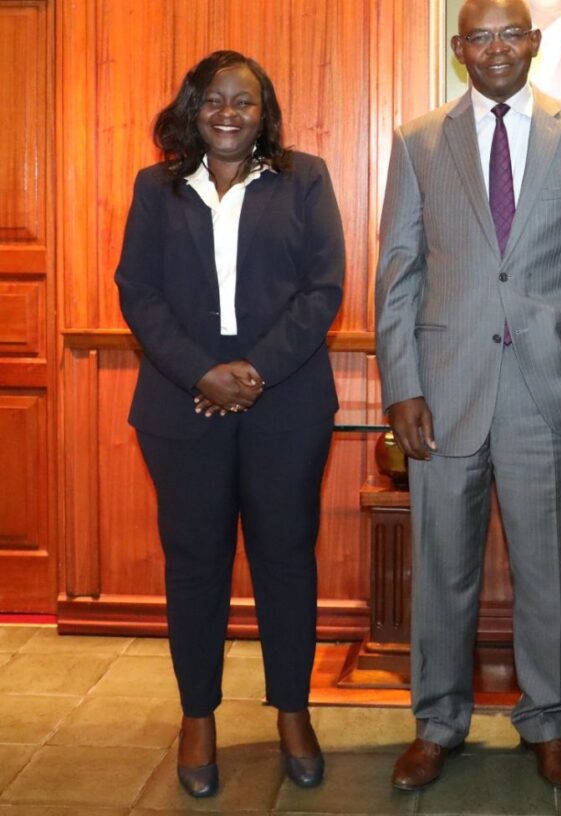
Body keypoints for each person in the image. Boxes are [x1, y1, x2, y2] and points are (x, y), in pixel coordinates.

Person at [376, 0, 561, 791]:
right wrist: (403, 387)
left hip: (547, 393)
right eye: (480, 38)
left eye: (512, 33)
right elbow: (400, 274)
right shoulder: (418, 141)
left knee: (549, 570)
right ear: (459, 47)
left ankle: (548, 725)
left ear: (536, 40)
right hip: (445, 395)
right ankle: (437, 723)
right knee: (442, 569)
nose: (497, 49)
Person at [115, 51, 345, 798]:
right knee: (195, 563)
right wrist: (201, 373)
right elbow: (137, 291)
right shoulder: (157, 188)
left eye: (244, 101)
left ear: (264, 112)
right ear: (193, 106)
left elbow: (323, 287)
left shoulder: (303, 178)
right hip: (181, 407)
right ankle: (198, 718)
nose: (228, 112)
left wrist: (251, 375)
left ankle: (292, 712)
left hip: (286, 402)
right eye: (215, 99)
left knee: (285, 561)